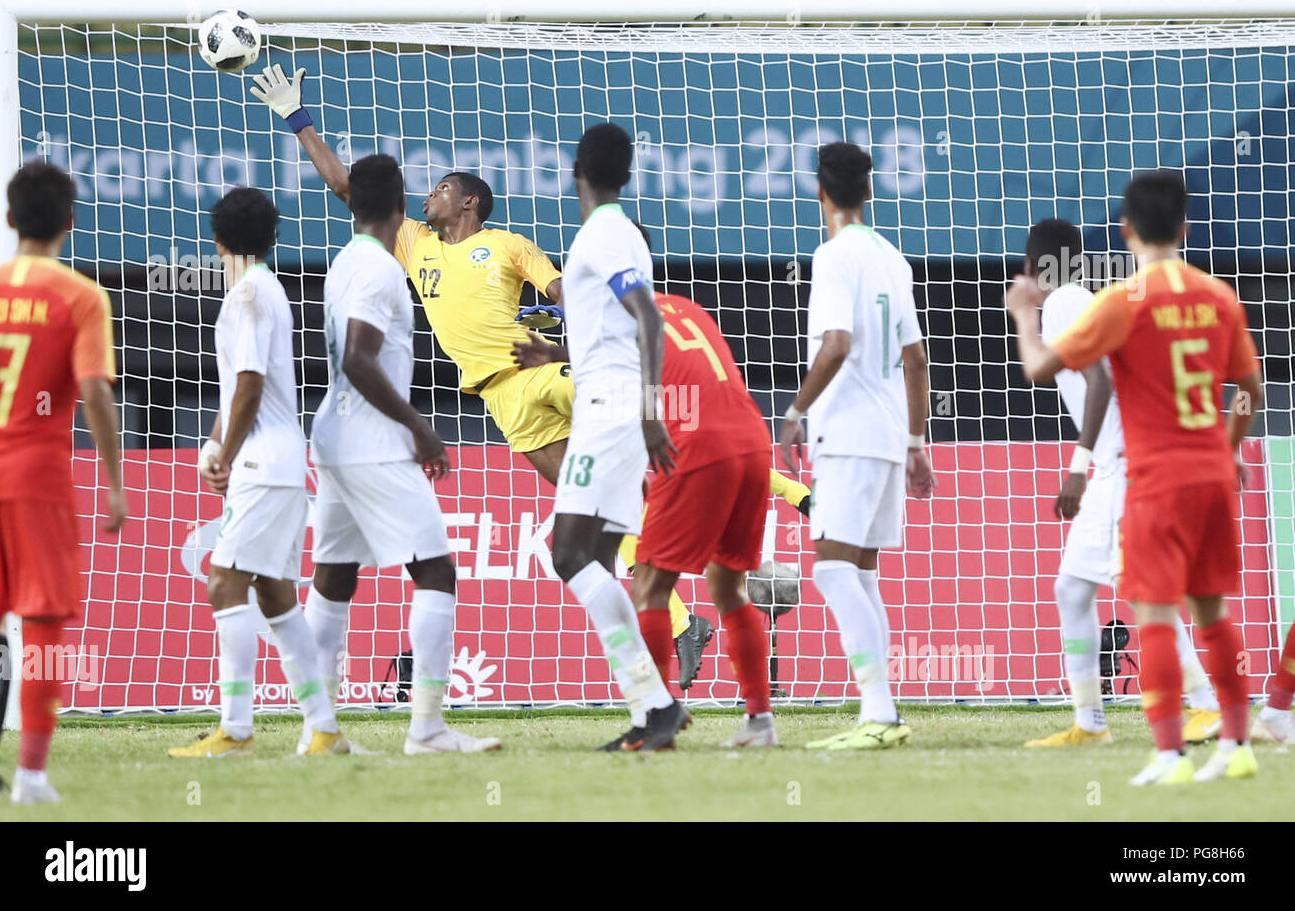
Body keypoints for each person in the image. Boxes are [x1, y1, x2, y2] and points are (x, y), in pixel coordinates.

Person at [249, 64, 801, 685]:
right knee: (585, 507)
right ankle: (682, 624)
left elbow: (566, 292)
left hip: (539, 369)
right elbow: (350, 189)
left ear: (468, 202)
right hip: (501, 400)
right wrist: (298, 120)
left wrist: (572, 329)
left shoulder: (508, 245)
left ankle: (792, 491)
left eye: (440, 189)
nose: (428, 196)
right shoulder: (411, 243)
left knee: (667, 417)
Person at [1005, 170, 1262, 785]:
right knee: (1191, 605)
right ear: (1186, 227)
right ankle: (1219, 733)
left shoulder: (1085, 299)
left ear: (1126, 230)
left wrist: (1023, 315)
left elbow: (1078, 376)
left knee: (1144, 600)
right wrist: (1229, 448)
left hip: (1135, 469)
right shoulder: (1217, 295)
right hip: (1195, 465)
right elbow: (1249, 392)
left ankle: (1174, 731)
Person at [515, 287, 780, 748]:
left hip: (694, 448)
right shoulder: (687, 309)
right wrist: (557, 351)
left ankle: (654, 720)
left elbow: (623, 364)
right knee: (728, 587)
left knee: (650, 585)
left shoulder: (620, 315)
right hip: (753, 439)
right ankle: (760, 723)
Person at [307, 154, 499, 754]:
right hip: (372, 443)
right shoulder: (380, 269)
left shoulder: (346, 261)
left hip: (335, 439)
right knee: (436, 571)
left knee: (335, 579)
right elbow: (359, 360)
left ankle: (320, 732)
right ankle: (427, 729)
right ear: (397, 205)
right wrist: (420, 428)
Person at [1018, 218, 1222, 748]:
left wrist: (1078, 467)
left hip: (1115, 468)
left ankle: (1205, 705)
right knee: (1073, 589)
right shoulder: (1080, 298)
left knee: (1142, 592)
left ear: (1035, 266)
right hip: (1115, 463)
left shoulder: (1062, 301)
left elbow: (1100, 380)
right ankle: (1090, 723)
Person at [168, 187, 348, 758]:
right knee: (274, 596)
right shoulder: (266, 288)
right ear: (273, 238)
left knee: (224, 580)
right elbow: (244, 385)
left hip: (263, 464)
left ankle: (236, 729)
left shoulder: (246, 295)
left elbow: (247, 383)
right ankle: (323, 728)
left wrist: (225, 451)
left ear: (216, 238)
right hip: (277, 462)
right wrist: (216, 439)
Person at [778, 142, 936, 751]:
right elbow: (916, 359)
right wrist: (918, 441)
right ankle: (883, 710)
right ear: (869, 192)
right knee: (863, 573)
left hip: (845, 435)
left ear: (820, 192)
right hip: (891, 434)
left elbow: (837, 344)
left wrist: (795, 412)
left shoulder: (832, 255)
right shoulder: (893, 257)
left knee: (833, 569)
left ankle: (880, 711)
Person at [549, 121, 686, 751]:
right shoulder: (623, 232)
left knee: (569, 555)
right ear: (628, 175)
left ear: (575, 170)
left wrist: (652, 411)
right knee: (599, 561)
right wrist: (548, 352)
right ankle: (649, 710)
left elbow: (649, 321)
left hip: (612, 409)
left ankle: (655, 703)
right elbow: (611, 330)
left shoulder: (601, 232)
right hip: (617, 402)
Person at [0, 161, 127, 803]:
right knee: (43, 621)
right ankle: (30, 775)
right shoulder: (79, 297)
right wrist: (115, 480)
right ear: (70, 223)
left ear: (10, 218)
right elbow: (95, 391)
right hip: (35, 481)